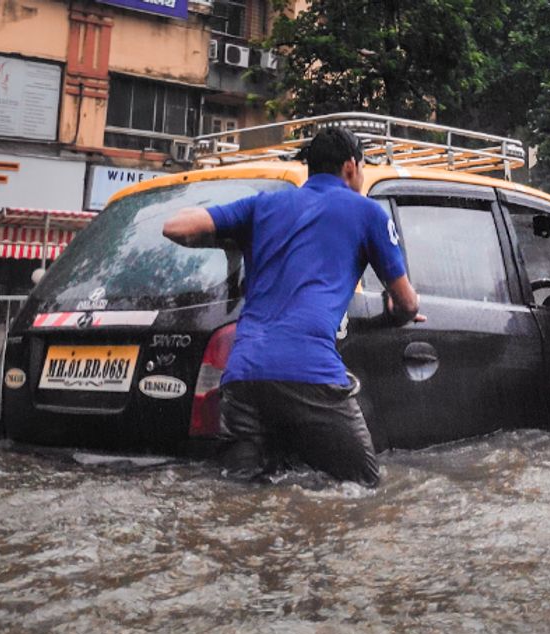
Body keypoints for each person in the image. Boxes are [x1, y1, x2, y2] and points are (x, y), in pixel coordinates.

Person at [163, 128, 423, 487]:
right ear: (351, 167)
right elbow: (406, 302)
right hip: (312, 373)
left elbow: (175, 227)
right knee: (364, 490)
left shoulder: (262, 205)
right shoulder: (368, 214)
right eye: (363, 167)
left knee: (240, 494)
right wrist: (399, 313)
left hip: (243, 377)